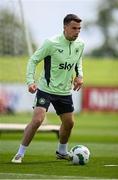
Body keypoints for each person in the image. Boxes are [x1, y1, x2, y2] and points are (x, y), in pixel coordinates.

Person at [12, 14, 84, 163]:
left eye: (79, 29)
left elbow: (78, 61)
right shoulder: (51, 43)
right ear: (64, 28)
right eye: (74, 28)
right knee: (38, 120)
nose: (77, 32)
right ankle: (20, 153)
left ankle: (62, 151)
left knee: (69, 123)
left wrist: (79, 76)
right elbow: (33, 60)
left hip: (64, 91)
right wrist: (30, 81)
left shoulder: (80, 45)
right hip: (46, 89)